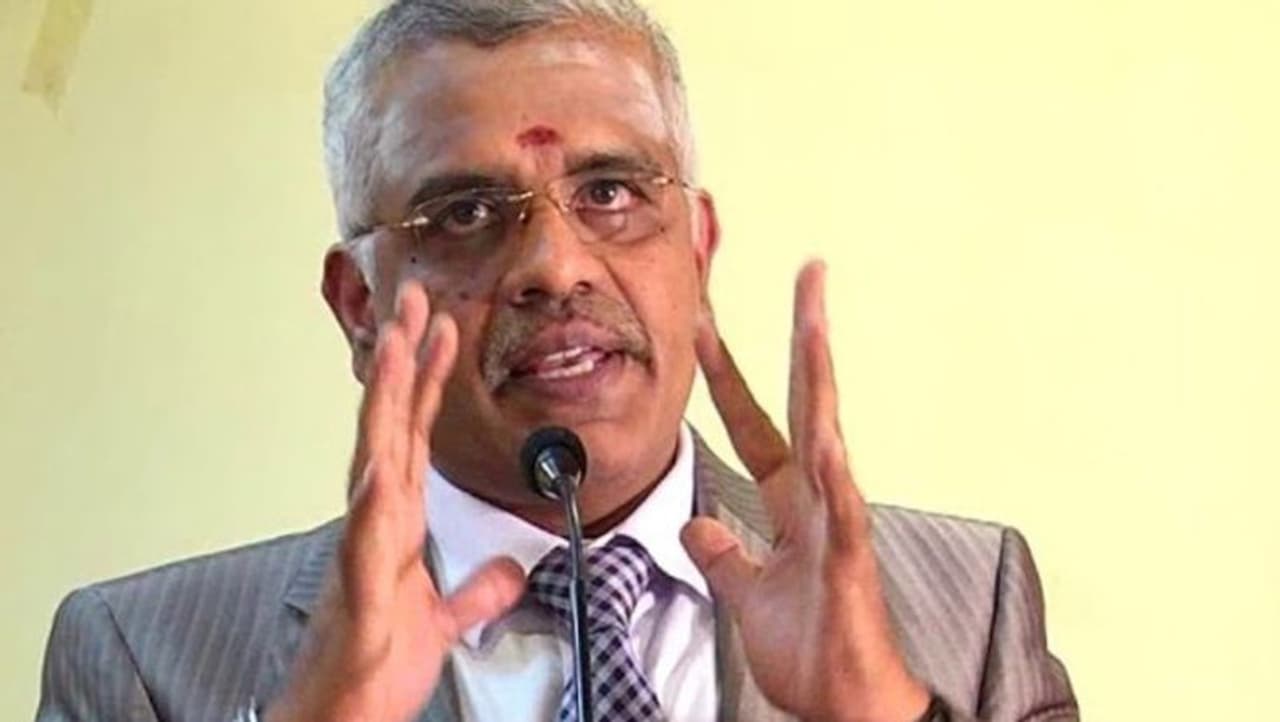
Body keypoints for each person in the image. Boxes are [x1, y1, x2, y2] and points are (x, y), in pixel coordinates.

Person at [34, 1, 1077, 721]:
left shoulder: (963, 605)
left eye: (610, 192)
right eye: (465, 213)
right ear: (359, 306)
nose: (554, 266)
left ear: (698, 249)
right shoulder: (140, 657)